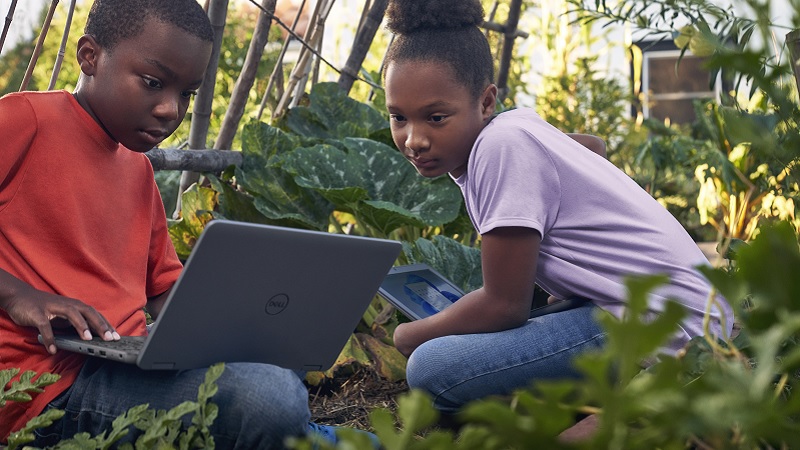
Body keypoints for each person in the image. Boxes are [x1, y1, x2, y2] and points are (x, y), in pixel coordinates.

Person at [0, 0, 369, 447]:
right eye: (153, 83)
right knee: (267, 398)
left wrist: (254, 318)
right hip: (45, 383)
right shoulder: (24, 121)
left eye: (187, 94)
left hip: (123, 362)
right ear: (90, 56)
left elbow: (163, 289)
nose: (170, 110)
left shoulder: (136, 171)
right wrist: (19, 295)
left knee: (275, 370)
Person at [383, 0, 734, 416]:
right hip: (693, 308)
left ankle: (641, 401)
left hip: (672, 327)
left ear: (486, 101)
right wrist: (575, 278)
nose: (413, 139)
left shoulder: (499, 148)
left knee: (431, 366)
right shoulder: (516, 127)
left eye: (436, 118)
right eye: (398, 117)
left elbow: (504, 306)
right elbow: (593, 148)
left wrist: (409, 334)